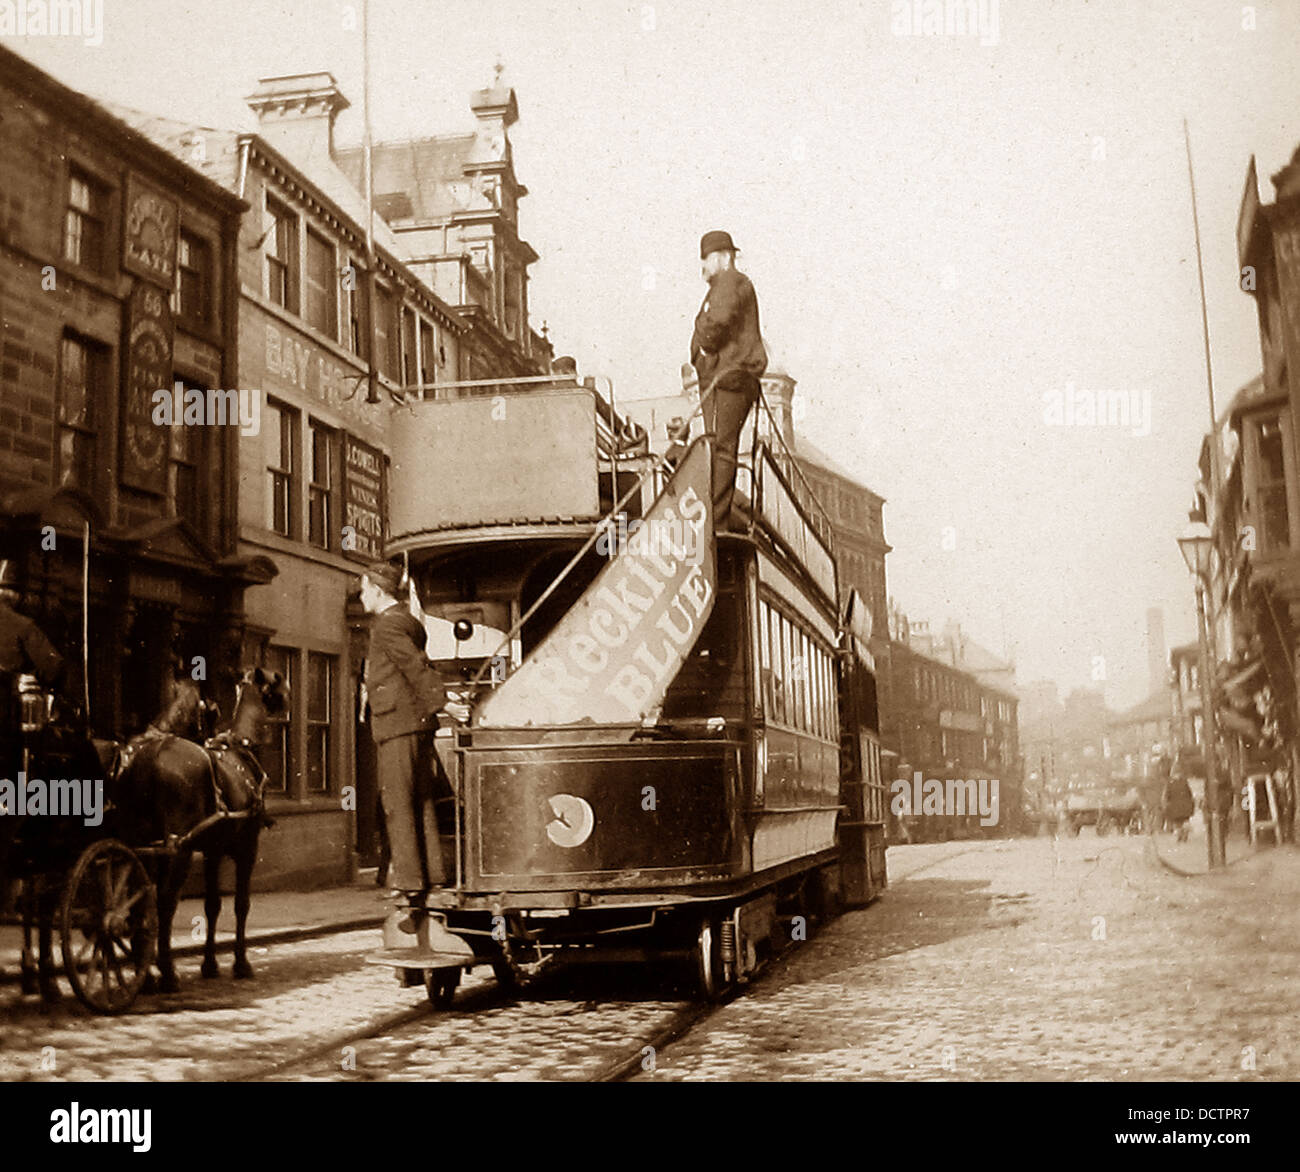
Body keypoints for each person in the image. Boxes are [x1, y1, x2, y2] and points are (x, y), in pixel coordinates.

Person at [359, 561, 463, 901]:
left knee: (397, 801)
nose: (361, 596)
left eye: (364, 589)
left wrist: (442, 701)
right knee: (421, 800)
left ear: (377, 590)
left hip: (397, 724)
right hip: (414, 723)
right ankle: (430, 874)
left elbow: (414, 667)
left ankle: (408, 883)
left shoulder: (386, 626)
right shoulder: (407, 621)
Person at [689, 229, 767, 529]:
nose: (703, 268)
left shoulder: (728, 281)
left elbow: (718, 320)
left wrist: (705, 346)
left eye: (706, 259)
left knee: (719, 448)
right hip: (729, 379)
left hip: (727, 379)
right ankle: (717, 518)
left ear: (722, 257)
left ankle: (715, 523)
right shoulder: (732, 282)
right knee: (721, 448)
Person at [0, 559, 64, 776]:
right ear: (16, 596)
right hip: (8, 722)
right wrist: (30, 677)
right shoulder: (23, 625)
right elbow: (54, 667)